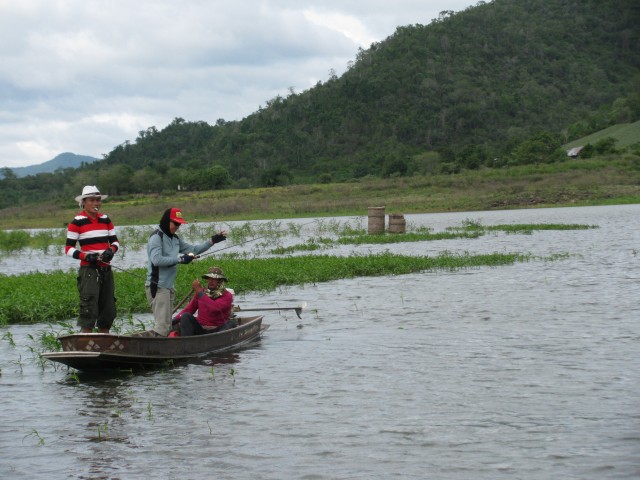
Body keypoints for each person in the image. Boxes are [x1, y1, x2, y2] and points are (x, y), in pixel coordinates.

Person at [145, 207, 227, 336]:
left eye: (179, 224)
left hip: (168, 287)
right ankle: (159, 351)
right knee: (162, 327)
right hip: (158, 287)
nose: (177, 227)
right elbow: (156, 260)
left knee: (167, 325)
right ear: (167, 221)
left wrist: (212, 241)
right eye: (175, 223)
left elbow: (193, 249)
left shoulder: (175, 239)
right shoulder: (156, 237)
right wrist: (180, 259)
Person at [65, 185, 120, 333]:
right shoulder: (77, 222)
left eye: (98, 200)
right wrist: (86, 256)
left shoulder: (105, 219)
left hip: (106, 269)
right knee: (88, 310)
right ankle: (85, 344)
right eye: (92, 200)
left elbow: (115, 242)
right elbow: (68, 249)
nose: (96, 203)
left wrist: (110, 251)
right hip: (89, 271)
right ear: (84, 202)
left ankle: (105, 343)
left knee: (108, 310)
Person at [172, 267, 236, 336]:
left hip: (218, 330)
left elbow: (215, 308)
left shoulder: (227, 295)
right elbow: (188, 310)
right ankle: (186, 342)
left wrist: (199, 291)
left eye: (214, 279)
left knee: (231, 324)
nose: (211, 281)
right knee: (185, 316)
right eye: (209, 278)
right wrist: (173, 320)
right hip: (201, 329)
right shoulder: (201, 292)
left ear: (220, 281)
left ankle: (217, 341)